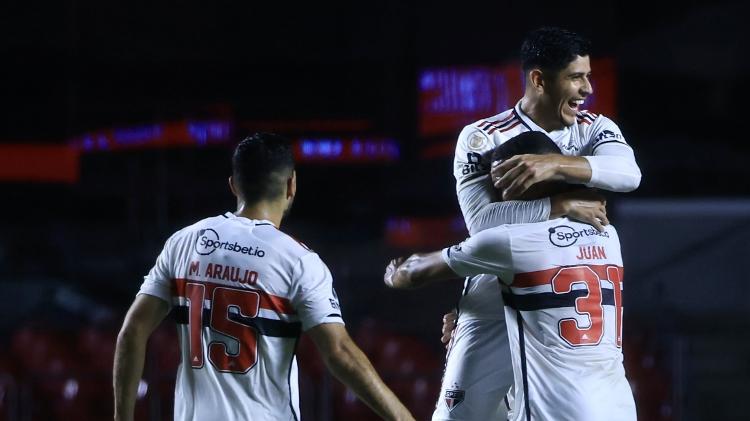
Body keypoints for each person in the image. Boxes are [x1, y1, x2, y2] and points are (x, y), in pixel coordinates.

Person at [113, 133, 414, 421]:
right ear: (291, 184)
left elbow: (132, 332)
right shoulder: (298, 261)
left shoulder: (184, 242)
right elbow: (339, 352)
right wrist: (402, 417)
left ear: (234, 185)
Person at [433, 26, 641, 420]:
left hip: (564, 297)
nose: (588, 89)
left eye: (588, 76)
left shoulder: (594, 128)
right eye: (576, 77)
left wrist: (556, 163)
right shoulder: (482, 137)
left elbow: (629, 173)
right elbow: (482, 223)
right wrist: (562, 203)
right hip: (492, 300)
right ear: (539, 79)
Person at [385, 132, 637, 421]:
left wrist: (393, 273)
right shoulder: (608, 234)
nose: (495, 192)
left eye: (501, 181)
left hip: (554, 413)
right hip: (618, 408)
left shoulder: (510, 241)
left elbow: (412, 273)